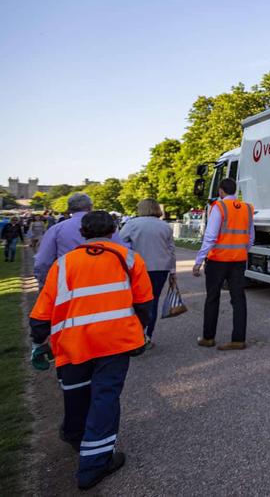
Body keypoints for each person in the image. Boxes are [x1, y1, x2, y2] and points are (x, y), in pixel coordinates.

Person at [28, 211, 153, 490]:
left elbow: (41, 312)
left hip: (73, 342)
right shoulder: (129, 259)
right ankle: (95, 463)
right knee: (105, 396)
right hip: (115, 340)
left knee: (76, 392)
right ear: (112, 231)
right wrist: (139, 332)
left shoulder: (63, 264)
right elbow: (144, 303)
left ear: (82, 233)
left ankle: (74, 434)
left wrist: (39, 341)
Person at [192, 178, 254, 350]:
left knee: (212, 298)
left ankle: (208, 338)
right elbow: (251, 239)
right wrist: (241, 251)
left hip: (218, 261)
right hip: (238, 261)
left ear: (220, 191)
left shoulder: (218, 207)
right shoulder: (247, 208)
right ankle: (238, 340)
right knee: (239, 299)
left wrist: (198, 262)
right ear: (235, 191)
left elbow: (210, 237)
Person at [119, 198, 176, 349]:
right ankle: (147, 335)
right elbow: (171, 250)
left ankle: (134, 334)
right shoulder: (165, 226)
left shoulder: (132, 224)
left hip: (138, 267)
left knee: (135, 301)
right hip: (160, 267)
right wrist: (173, 271)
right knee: (153, 301)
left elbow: (119, 242)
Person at [34, 193, 126, 285]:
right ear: (90, 207)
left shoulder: (56, 229)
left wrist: (45, 282)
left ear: (69, 209)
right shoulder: (106, 227)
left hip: (70, 281)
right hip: (106, 279)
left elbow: (43, 261)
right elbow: (122, 252)